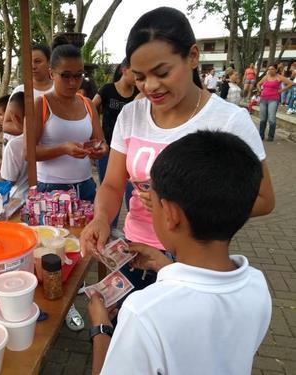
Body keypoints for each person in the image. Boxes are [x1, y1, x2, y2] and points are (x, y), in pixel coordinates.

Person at [81, 6, 275, 298]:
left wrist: (182, 205)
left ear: (193, 57)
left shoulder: (228, 120)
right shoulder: (132, 114)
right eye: (140, 77)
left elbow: (263, 199)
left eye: (162, 72)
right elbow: (111, 184)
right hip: (135, 251)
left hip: (195, 260)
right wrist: (100, 219)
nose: (151, 87)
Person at [87, 130, 271, 375]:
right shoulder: (257, 285)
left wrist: (101, 329)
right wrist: (165, 266)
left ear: (170, 214)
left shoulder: (143, 312)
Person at [25, 41, 108, 332]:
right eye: (66, 76)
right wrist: (62, 148)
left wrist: (98, 149)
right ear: (52, 73)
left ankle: (82, 294)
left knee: (84, 251)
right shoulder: (41, 103)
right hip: (51, 192)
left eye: (79, 75)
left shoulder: (86, 103)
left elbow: (100, 141)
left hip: (84, 187)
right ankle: (63, 306)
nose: (74, 82)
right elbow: (29, 152)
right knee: (55, 255)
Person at [92, 58, 139, 226]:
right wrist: (97, 132)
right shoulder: (107, 89)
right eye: (135, 72)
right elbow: (90, 107)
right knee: (110, 189)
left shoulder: (138, 95)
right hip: (108, 150)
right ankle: (109, 226)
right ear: (124, 70)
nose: (138, 77)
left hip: (131, 152)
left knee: (132, 192)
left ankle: (131, 226)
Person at [3, 45, 53, 143]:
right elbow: (6, 124)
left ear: (49, 63)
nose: (33, 66)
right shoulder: (20, 90)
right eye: (29, 62)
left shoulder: (59, 90)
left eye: (38, 61)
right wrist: (29, 131)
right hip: (28, 151)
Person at [0, 92, 28, 199]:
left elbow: (7, 181)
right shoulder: (45, 139)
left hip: (19, 199)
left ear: (15, 117)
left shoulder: (14, 145)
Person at [257, 64, 293, 141]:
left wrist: (281, 90)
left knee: (271, 119)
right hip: (263, 99)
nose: (270, 70)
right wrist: (260, 90)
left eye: (272, 69)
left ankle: (270, 136)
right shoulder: (266, 77)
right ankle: (261, 136)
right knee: (263, 119)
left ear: (276, 70)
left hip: (273, 99)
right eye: (269, 69)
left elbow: (291, 83)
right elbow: (258, 84)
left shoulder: (279, 77)